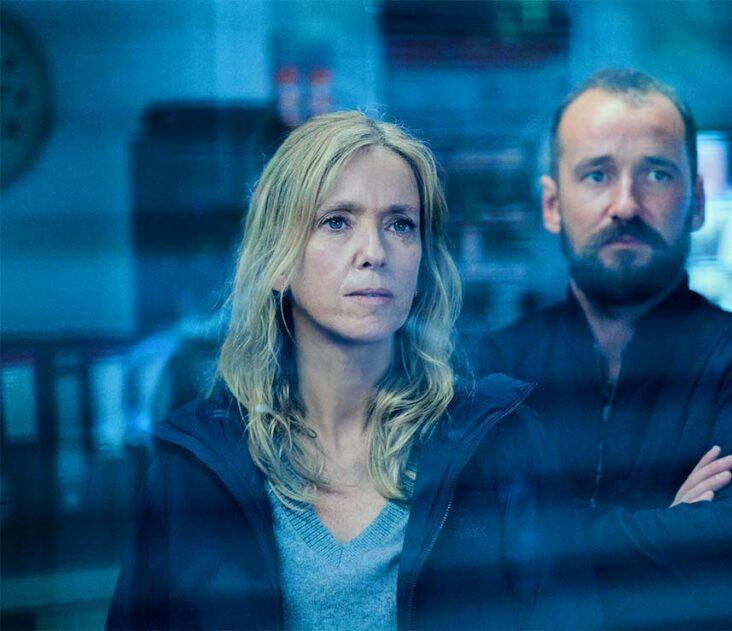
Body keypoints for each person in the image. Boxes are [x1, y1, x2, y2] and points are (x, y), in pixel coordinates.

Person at [107, 112, 601, 630]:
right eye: (337, 222)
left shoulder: (501, 446)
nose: (374, 253)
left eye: (400, 224)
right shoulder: (192, 469)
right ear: (278, 261)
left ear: (422, 263)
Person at [478, 69, 732, 628]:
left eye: (657, 174)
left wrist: (538, 530)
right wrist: (673, 525)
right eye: (596, 175)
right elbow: (468, 549)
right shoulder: (492, 374)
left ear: (698, 201)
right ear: (552, 204)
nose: (626, 205)